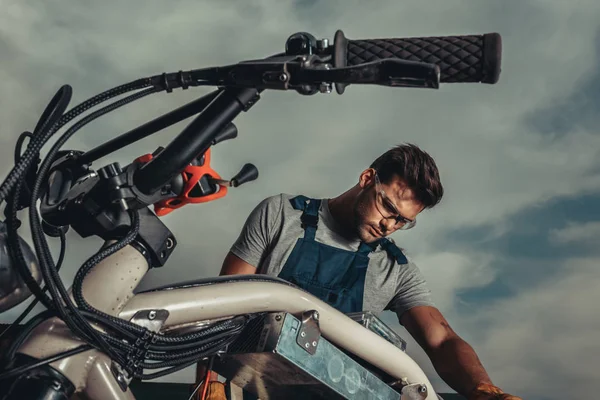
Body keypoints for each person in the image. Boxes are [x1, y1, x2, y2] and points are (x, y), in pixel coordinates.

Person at [197, 144, 522, 400]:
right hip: (250, 388)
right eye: (389, 208)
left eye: (402, 221)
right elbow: (223, 310)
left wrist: (484, 390)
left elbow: (441, 339)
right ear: (367, 179)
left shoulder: (395, 270)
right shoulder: (281, 216)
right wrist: (209, 387)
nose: (389, 225)